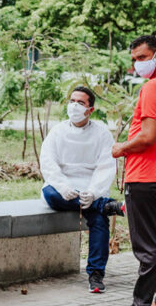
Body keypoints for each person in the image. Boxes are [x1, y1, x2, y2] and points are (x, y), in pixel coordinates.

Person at [108, 35, 156, 306]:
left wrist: (120, 149)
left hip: (146, 177)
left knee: (147, 246)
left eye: (142, 58)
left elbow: (148, 137)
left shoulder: (154, 87)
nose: (137, 64)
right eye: (134, 60)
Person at [40, 86, 124, 294]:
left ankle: (96, 275)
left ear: (90, 110)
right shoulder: (58, 131)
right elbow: (48, 163)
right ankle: (105, 205)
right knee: (50, 194)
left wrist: (94, 192)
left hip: (89, 188)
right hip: (63, 189)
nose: (74, 106)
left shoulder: (102, 134)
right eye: (72, 101)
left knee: (98, 220)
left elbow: (106, 166)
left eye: (80, 103)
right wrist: (62, 186)